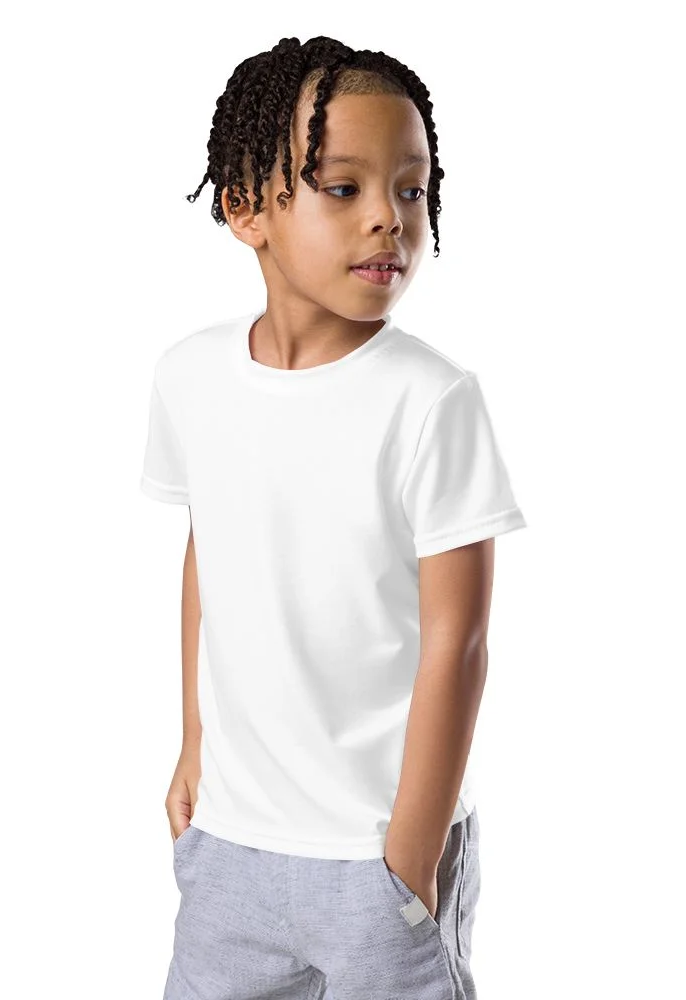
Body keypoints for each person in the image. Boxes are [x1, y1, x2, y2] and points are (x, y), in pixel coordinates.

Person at [140, 35, 527, 1000]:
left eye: (412, 189)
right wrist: (193, 745)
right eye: (344, 188)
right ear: (246, 208)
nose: (390, 218)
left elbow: (459, 641)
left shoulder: (431, 400)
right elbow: (209, 561)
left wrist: (411, 854)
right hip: (230, 845)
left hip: (377, 862)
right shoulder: (191, 377)